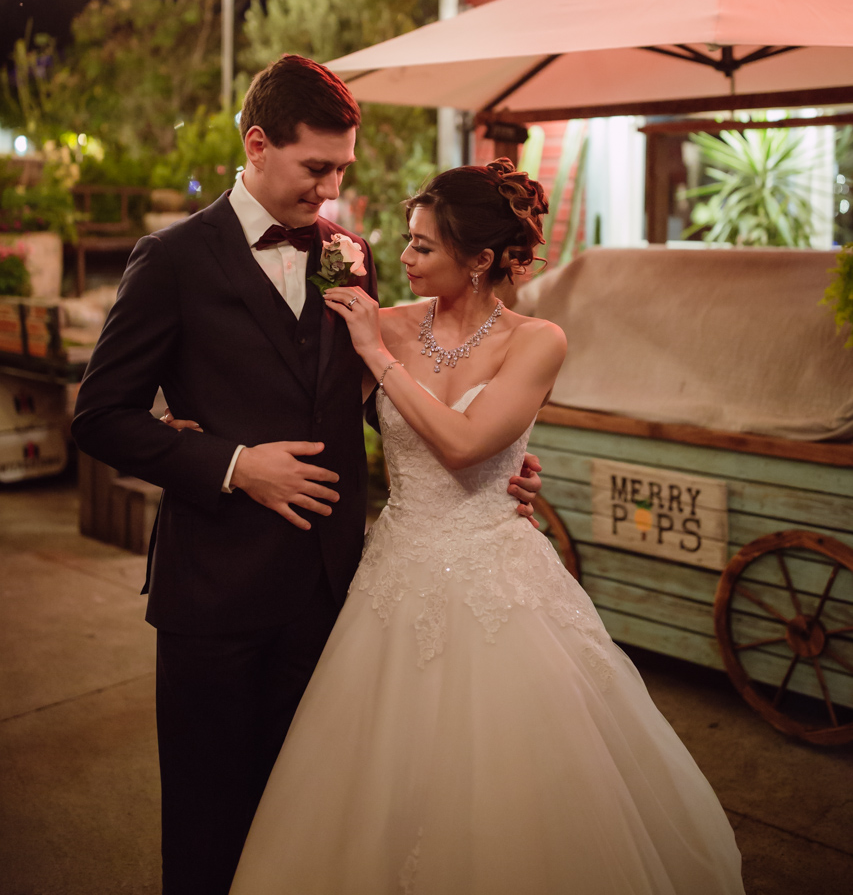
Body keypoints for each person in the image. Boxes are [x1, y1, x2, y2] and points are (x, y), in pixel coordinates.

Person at [71, 56, 543, 895]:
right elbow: (100, 415)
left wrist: (484, 455)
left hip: (334, 592)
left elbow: (351, 391)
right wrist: (232, 464)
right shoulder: (172, 258)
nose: (328, 191)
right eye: (314, 168)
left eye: (341, 171)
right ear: (257, 145)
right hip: (212, 593)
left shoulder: (346, 253)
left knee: (314, 821)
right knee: (210, 819)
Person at [229, 159, 745, 895]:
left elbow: (467, 445)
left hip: (493, 571)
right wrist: (201, 431)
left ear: (478, 260)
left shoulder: (536, 340)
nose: (401, 259)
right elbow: (284, 394)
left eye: (422, 248)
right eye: (406, 241)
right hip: (394, 568)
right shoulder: (389, 320)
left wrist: (377, 358)